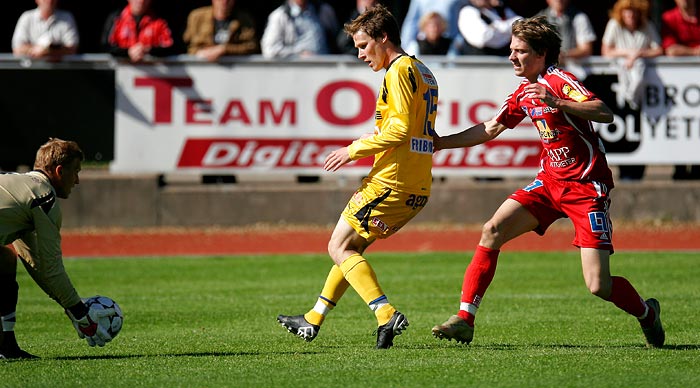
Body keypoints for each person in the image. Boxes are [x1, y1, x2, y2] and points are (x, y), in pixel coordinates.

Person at [430, 15, 665, 349]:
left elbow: (603, 111)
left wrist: (558, 101)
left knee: (598, 285)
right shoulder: (525, 92)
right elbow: (492, 127)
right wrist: (442, 143)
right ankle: (465, 319)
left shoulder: (558, 80)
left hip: (586, 188)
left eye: (520, 51)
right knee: (492, 229)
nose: (512, 57)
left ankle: (647, 313)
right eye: (512, 50)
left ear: (541, 54)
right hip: (550, 183)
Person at [277, 4, 439, 349]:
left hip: (391, 181)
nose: (360, 53)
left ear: (383, 38)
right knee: (351, 249)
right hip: (416, 184)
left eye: (364, 45)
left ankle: (385, 313)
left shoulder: (397, 71)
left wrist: (352, 150)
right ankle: (313, 319)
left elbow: (397, 132)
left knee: (337, 246)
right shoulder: (423, 71)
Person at [0, 139, 115, 359]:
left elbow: (34, 261)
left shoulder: (23, 189)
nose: (78, 180)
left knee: (5, 259)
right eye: (76, 172)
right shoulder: (44, 196)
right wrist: (80, 312)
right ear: (60, 171)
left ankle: (7, 347)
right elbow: (51, 268)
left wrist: (71, 307)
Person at [602, 0, 663, 181]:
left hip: (642, 94)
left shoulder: (647, 26)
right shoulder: (614, 25)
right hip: (618, 90)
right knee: (623, 127)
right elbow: (606, 50)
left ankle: (637, 173)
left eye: (635, 13)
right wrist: (627, 54)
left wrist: (638, 54)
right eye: (628, 13)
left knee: (640, 127)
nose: (631, 17)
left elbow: (658, 49)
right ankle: (625, 172)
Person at [661, 0, 700, 180]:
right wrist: (695, 52)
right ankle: (680, 166)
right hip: (679, 86)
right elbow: (670, 49)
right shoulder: (669, 18)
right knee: (679, 124)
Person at [101, 0, 176, 63]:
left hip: (153, 76)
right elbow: (106, 46)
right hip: (121, 73)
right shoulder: (116, 18)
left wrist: (147, 50)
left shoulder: (159, 21)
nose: (141, 1)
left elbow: (171, 47)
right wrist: (128, 52)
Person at [183, 0, 260, 61]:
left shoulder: (244, 19)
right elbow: (188, 45)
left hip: (234, 70)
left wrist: (224, 49)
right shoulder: (197, 17)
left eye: (228, 0)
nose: (224, 2)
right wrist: (200, 53)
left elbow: (251, 46)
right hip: (202, 68)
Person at [260, 0, 339, 58]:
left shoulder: (324, 10)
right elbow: (270, 49)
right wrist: (299, 54)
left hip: (326, 71)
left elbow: (337, 40)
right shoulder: (279, 16)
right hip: (296, 72)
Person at [11, 0, 79, 60]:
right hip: (31, 70)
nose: (49, 1)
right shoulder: (26, 17)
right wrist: (35, 49)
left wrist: (48, 51)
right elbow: (17, 48)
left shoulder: (67, 17)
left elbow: (72, 48)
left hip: (58, 70)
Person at [400, 0, 469, 56]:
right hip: (423, 46)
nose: (434, 29)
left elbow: (465, 16)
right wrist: (405, 46)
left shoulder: (451, 47)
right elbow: (412, 22)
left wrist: (459, 42)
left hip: (449, 45)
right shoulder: (415, 47)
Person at [536, 0, 596, 64]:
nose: (559, 0)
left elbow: (586, 50)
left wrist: (564, 54)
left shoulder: (579, 17)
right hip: (545, 68)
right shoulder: (538, 19)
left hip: (572, 68)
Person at [457, 0, 522, 56]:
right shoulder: (468, 11)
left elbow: (520, 25)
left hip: (504, 61)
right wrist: (507, 30)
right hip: (479, 64)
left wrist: (496, 29)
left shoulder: (501, 10)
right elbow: (483, 38)